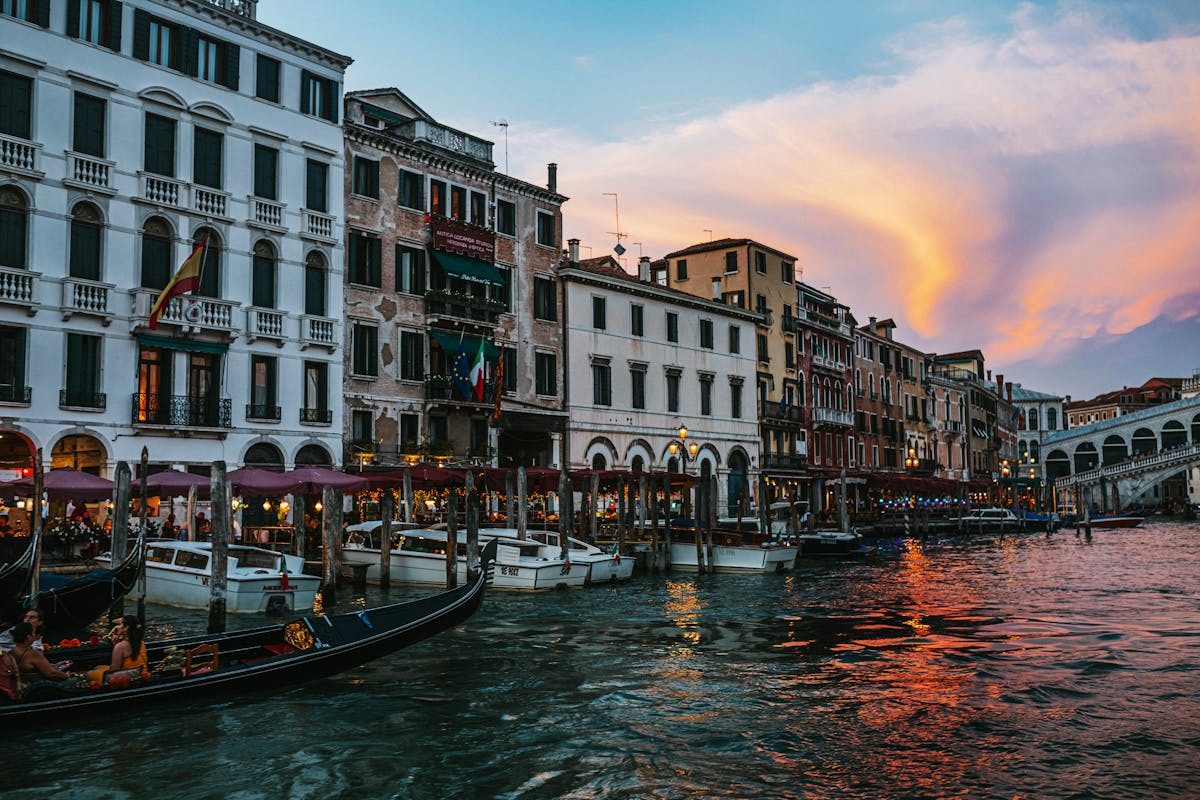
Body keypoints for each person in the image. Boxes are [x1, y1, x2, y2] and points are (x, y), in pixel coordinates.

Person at [87, 615, 147, 686]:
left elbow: (114, 670)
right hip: (141, 674)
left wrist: (116, 646)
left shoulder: (120, 646)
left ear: (126, 628)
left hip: (125, 678)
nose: (117, 627)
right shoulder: (141, 642)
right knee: (98, 668)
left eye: (120, 624)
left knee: (89, 673)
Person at [9, 622, 72, 688]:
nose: (35, 635)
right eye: (33, 633)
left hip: (23, 685)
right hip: (39, 688)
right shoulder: (32, 653)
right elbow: (51, 673)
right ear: (28, 636)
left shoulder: (12, 651)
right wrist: (67, 676)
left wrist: (52, 666)